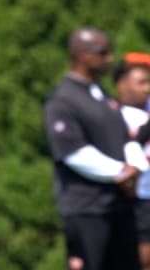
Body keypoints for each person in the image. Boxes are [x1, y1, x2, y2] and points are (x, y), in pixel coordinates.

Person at [44, 27, 146, 270]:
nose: (110, 58)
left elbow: (124, 139)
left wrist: (135, 169)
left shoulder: (99, 94)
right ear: (82, 55)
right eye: (103, 52)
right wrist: (120, 171)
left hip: (119, 205)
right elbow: (73, 153)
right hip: (88, 209)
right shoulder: (63, 99)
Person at [115, 53, 150, 270]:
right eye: (141, 82)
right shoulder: (113, 115)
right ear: (122, 83)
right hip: (135, 199)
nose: (147, 88)